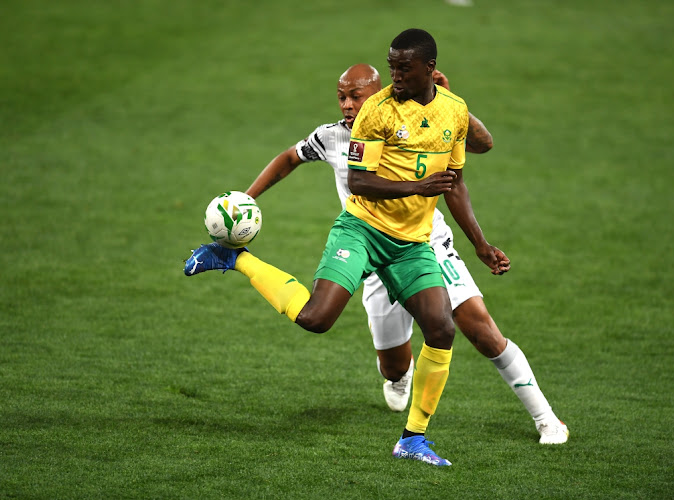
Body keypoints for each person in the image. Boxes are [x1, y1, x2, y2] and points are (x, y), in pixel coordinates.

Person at [187, 28, 501, 466]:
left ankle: (412, 440)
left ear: (429, 69)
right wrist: (418, 184)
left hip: (411, 243)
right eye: (390, 67)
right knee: (316, 319)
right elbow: (358, 182)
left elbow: (458, 182)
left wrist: (482, 246)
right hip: (361, 229)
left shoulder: (453, 110)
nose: (394, 76)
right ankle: (235, 258)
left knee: (442, 329)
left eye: (402, 68)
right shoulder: (375, 112)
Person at [242, 62, 569, 446]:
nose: (347, 105)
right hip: (371, 249)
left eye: (355, 96)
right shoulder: (331, 137)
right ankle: (402, 374)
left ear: (378, 92)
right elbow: (290, 157)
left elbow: (482, 144)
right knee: (393, 367)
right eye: (341, 97)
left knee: (478, 328)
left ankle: (547, 418)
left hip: (423, 241)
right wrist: (246, 200)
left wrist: (449, 101)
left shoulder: (414, 121)